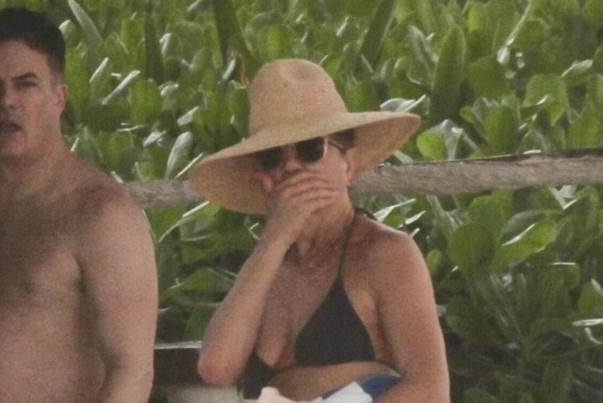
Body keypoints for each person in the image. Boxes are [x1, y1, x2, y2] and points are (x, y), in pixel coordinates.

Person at [0, 7, 158, 402]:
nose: (7, 102)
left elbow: (133, 370)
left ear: (59, 97)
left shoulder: (100, 213)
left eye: (26, 84)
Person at [190, 59, 449, 402]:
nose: (291, 166)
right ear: (262, 178)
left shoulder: (384, 253)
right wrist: (275, 238)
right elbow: (216, 368)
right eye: (272, 157)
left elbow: (430, 391)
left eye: (311, 149)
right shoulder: (266, 265)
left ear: (348, 164)